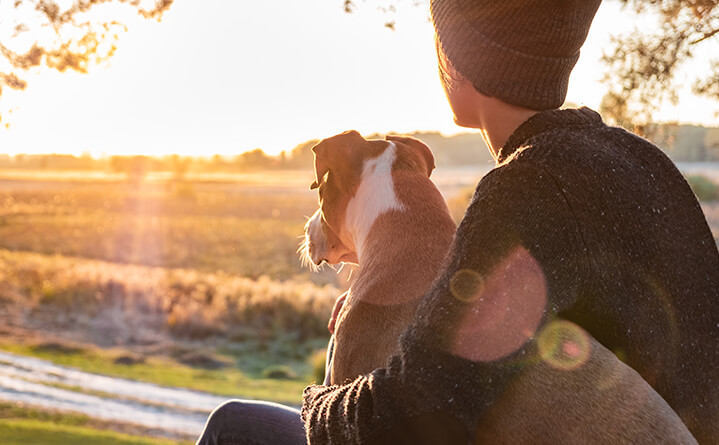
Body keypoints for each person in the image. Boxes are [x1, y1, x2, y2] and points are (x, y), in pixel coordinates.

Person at [199, 0, 719, 443]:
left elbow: (414, 411)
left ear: (457, 63)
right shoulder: (646, 161)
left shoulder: (530, 186)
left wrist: (321, 401)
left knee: (233, 427)